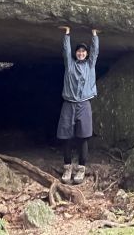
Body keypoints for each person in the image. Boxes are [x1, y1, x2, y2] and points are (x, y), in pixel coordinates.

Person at [57, 25, 99, 185]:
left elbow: (95, 53)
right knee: (66, 136)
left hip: (84, 104)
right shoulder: (70, 65)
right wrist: (67, 34)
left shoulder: (90, 66)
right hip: (68, 104)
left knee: (83, 137)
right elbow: (65, 52)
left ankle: (81, 168)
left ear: (86, 54)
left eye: (84, 51)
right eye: (78, 51)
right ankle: (67, 167)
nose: (81, 53)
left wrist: (94, 35)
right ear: (76, 53)